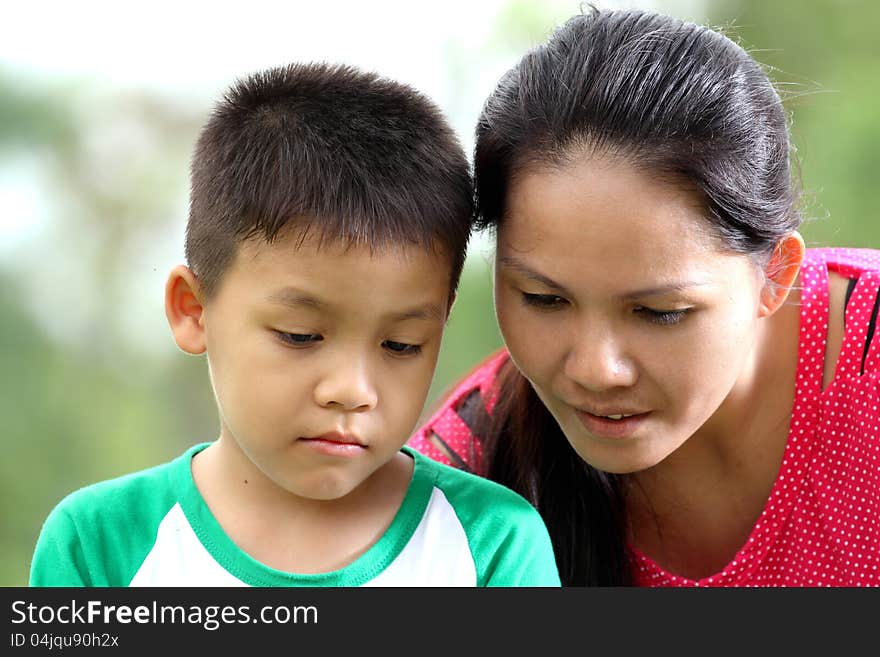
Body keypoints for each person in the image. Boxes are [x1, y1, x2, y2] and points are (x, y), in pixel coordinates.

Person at [28, 62, 560, 587]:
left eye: (401, 345)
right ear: (194, 310)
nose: (352, 391)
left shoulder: (492, 544)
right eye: (300, 336)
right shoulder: (100, 547)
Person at [409, 7, 880, 586]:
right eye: (543, 299)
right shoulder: (466, 475)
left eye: (660, 313)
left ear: (775, 275)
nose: (596, 370)